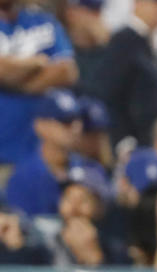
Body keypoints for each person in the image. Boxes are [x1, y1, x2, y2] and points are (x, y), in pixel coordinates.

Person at [0, 0, 77, 176]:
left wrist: (12, 82)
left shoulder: (43, 20)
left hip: (45, 158)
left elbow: (67, 71)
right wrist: (37, 63)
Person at [5, 89, 106, 217]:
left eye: (77, 119)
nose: (75, 127)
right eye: (65, 121)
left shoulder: (91, 169)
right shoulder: (23, 178)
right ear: (41, 125)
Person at [98, 0, 157, 147]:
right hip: (136, 143)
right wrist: (122, 139)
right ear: (138, 2)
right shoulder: (125, 40)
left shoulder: (148, 41)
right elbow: (108, 93)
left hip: (151, 140)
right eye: (156, 1)